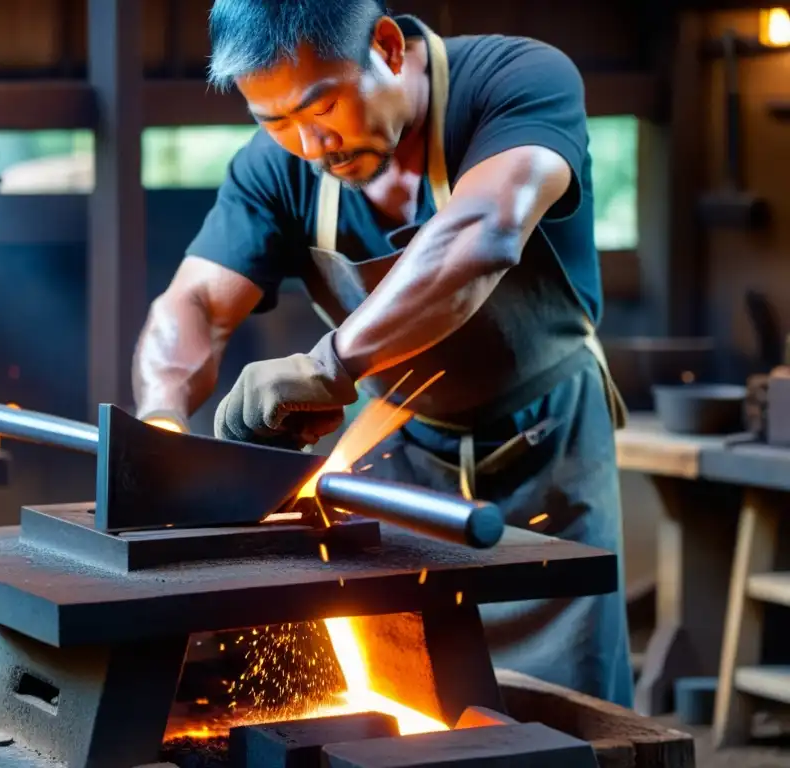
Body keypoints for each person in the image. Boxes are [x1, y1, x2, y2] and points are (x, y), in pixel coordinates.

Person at [132, 0, 633, 707]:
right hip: (392, 461)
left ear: (390, 48)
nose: (309, 145)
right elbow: (195, 306)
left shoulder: (520, 80)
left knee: (567, 718)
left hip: (547, 443)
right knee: (404, 703)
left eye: (323, 106)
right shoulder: (275, 169)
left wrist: (330, 365)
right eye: (274, 122)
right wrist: (161, 431)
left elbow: (483, 234)